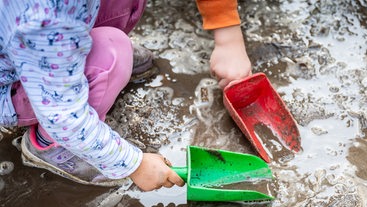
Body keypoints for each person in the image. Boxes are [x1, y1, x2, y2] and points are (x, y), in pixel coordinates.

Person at [0, 0, 252, 191]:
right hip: (20, 85)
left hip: (50, 41)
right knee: (112, 55)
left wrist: (228, 35)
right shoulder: (42, 18)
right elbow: (63, 116)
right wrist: (133, 164)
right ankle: (50, 145)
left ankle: (85, 47)